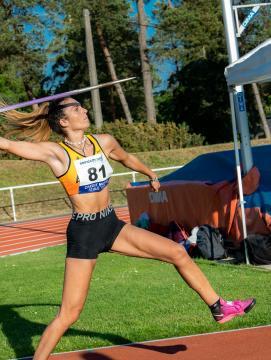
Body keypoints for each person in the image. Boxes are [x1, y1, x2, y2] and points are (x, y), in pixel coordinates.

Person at [0, 98, 256, 359]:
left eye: (82, 105)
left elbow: (126, 158)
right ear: (64, 121)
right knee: (69, 314)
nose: (84, 109)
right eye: (76, 108)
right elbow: (8, 144)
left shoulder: (104, 141)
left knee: (177, 252)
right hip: (85, 234)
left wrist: (151, 174)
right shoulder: (56, 153)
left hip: (111, 224)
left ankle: (218, 307)